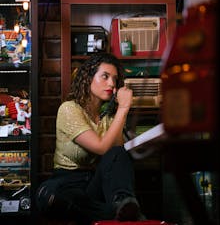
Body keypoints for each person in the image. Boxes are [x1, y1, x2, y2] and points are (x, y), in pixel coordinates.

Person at [36, 52, 145, 224]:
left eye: (115, 79)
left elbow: (115, 154)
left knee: (118, 153)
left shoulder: (109, 118)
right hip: (67, 184)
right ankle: (119, 214)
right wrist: (123, 108)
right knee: (50, 195)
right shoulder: (69, 109)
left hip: (95, 184)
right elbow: (101, 147)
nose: (111, 83)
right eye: (105, 76)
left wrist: (120, 113)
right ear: (88, 79)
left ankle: (122, 203)